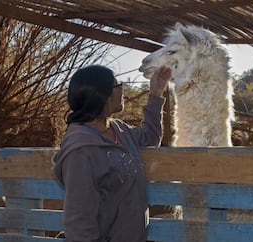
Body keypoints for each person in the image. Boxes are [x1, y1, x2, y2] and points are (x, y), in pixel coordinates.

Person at [52, 64, 171, 242]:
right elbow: (79, 220)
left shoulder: (118, 129)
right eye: (117, 85)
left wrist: (156, 93)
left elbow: (150, 137)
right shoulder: (80, 152)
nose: (122, 90)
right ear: (102, 96)